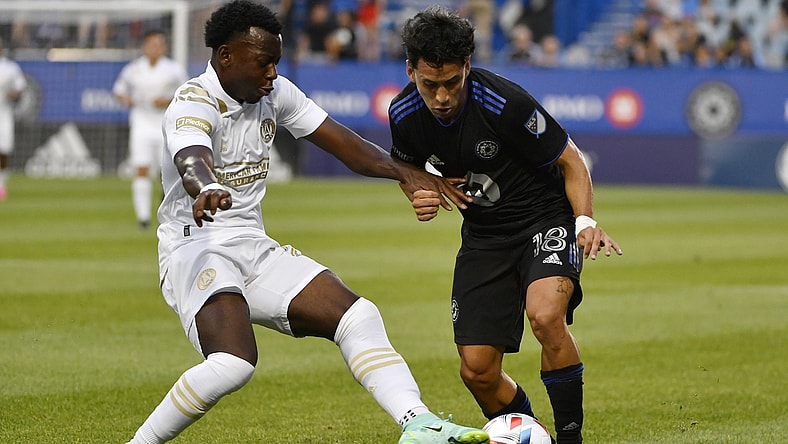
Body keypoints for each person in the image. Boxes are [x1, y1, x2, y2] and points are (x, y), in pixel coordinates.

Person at [124, 2, 489, 443]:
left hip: (251, 245)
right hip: (195, 248)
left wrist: (409, 174)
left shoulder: (275, 94)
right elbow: (190, 156)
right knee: (234, 363)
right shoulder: (193, 101)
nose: (273, 73)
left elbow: (343, 143)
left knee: (357, 315)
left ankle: (419, 424)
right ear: (225, 56)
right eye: (263, 62)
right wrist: (204, 188)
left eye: (276, 61)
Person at [388, 6, 623, 444]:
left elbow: (571, 161)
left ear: (467, 68)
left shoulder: (504, 102)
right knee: (477, 370)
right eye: (429, 85)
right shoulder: (402, 113)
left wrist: (585, 220)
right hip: (484, 236)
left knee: (547, 315)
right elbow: (406, 168)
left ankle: (571, 440)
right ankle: (533, 434)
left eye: (452, 83)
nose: (441, 97)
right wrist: (423, 192)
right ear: (410, 71)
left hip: (544, 218)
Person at [113, 30, 188, 229]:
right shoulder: (133, 69)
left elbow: (187, 94)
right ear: (144, 46)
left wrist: (168, 100)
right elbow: (119, 91)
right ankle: (143, 218)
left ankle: (169, 209)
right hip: (141, 124)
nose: (155, 48)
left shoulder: (174, 70)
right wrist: (127, 100)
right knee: (141, 168)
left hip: (166, 124)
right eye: (151, 44)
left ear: (164, 47)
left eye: (159, 44)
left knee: (167, 172)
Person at [0, 37, 27, 201]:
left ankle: (1, 185)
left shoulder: (10, 68)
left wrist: (12, 94)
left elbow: (20, 87)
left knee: (3, 149)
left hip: (3, 113)